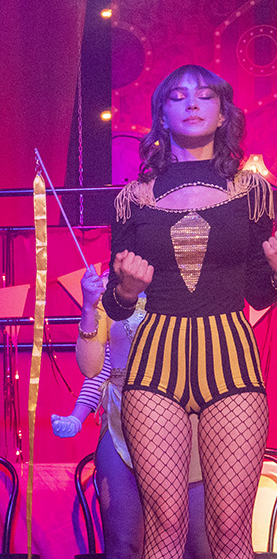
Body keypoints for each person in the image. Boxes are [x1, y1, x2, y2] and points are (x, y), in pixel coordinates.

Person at [101, 64, 277, 558]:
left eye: (204, 96)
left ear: (222, 114)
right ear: (162, 115)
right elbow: (114, 306)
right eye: (178, 97)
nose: (192, 104)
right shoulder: (132, 199)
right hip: (155, 363)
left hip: (231, 360)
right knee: (165, 526)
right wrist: (127, 290)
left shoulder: (253, 191)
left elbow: (261, 295)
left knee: (230, 529)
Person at [52, 268, 211, 558]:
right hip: (121, 423)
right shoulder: (107, 285)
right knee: (123, 546)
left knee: (197, 548)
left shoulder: (190, 273)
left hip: (183, 419)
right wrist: (77, 415)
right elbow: (97, 369)